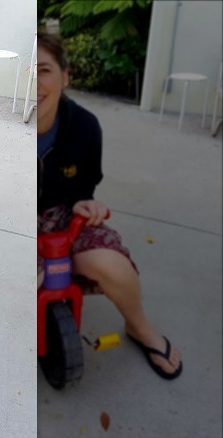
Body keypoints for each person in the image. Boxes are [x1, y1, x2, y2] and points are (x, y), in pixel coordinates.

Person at [36, 31, 182, 380]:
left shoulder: (85, 127)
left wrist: (87, 205)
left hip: (64, 217)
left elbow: (85, 188)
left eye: (43, 70)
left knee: (115, 267)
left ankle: (139, 327)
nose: (34, 82)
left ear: (65, 76)